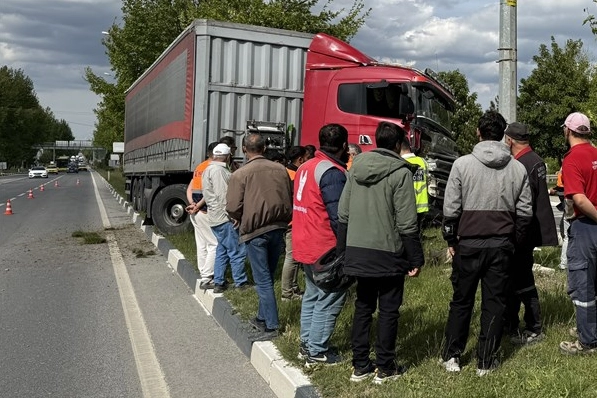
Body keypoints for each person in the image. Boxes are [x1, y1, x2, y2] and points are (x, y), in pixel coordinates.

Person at [440, 110, 532, 376]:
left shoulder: (462, 164)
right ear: (503, 135)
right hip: (502, 244)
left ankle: (452, 356)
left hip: (468, 243)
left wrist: (450, 238)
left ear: (478, 133)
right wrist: (515, 241)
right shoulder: (517, 167)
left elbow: (451, 208)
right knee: (495, 302)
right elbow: (525, 213)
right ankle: (485, 361)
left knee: (461, 300)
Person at [338, 121, 424, 384]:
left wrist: (343, 250)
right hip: (388, 251)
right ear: (399, 144)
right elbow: (407, 221)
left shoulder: (355, 168)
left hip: (358, 249)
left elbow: (343, 213)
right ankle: (385, 367)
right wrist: (416, 257)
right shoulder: (401, 172)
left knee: (363, 307)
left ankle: (360, 366)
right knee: (388, 310)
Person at [292, 123, 350, 367]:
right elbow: (339, 216)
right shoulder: (332, 173)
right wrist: (347, 247)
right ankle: (317, 351)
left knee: (313, 295)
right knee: (330, 296)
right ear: (345, 146)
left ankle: (306, 344)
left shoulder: (306, 166)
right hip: (324, 246)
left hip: (303, 240)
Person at [226, 133, 293, 340]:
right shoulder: (281, 169)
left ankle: (272, 326)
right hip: (278, 227)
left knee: (262, 279)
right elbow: (288, 195)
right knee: (269, 275)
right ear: (264, 148)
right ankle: (262, 318)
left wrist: (237, 217)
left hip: (255, 231)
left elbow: (232, 206)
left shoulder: (241, 174)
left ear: (245, 150)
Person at [503, 122, 558, 345]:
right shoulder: (535, 160)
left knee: (521, 279)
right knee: (520, 277)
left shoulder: (521, 164)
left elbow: (522, 201)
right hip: (531, 229)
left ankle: (532, 326)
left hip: (521, 231)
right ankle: (514, 324)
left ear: (510, 140)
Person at [558, 112, 597, 355]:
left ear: (568, 131)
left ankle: (587, 341)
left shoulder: (571, 160)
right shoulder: (595, 153)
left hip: (586, 227)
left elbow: (579, 200)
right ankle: (589, 328)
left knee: (583, 286)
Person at [202, 143, 249, 293]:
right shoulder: (218, 171)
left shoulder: (209, 169)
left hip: (215, 216)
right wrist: (232, 214)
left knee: (222, 250)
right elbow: (223, 195)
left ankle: (219, 282)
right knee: (237, 250)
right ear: (228, 156)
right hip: (224, 217)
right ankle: (240, 283)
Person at [186, 141, 219, 289]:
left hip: (195, 210)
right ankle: (207, 276)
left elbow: (190, 188)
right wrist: (198, 206)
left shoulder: (199, 167)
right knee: (214, 244)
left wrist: (192, 204)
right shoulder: (211, 168)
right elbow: (209, 191)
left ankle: (203, 272)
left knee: (202, 243)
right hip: (204, 210)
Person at [281, 146, 308, 301]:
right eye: (305, 157)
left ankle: (293, 286)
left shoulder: (284, 171)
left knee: (293, 256)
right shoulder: (295, 175)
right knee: (292, 257)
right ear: (300, 159)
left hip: (287, 220)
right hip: (293, 221)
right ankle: (287, 293)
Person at [400, 140, 429, 233]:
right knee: (417, 232)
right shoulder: (422, 162)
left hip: (406, 205)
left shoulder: (400, 162)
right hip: (421, 204)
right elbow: (427, 179)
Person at [549, 168, 569, 270]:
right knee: (563, 230)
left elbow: (565, 189)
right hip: (567, 202)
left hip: (569, 202)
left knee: (567, 235)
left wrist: (555, 192)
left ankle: (564, 264)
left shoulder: (568, 166)